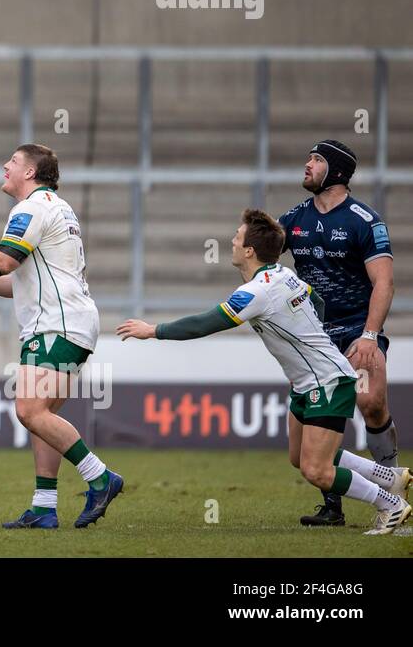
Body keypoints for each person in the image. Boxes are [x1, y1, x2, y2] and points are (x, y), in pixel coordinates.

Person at [118, 209, 410, 535]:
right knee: (299, 457)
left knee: (317, 470)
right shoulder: (284, 274)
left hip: (325, 382)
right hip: (306, 382)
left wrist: (152, 330)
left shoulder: (257, 292)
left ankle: (390, 504)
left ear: (249, 251)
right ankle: (390, 477)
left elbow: (206, 323)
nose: (231, 241)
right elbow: (317, 302)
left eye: (237, 237)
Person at [0, 144, 124, 530]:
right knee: (41, 416)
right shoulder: (58, 208)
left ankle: (100, 477)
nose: (5, 166)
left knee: (28, 410)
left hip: (56, 325)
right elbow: (19, 281)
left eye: (12, 162)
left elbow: (1, 261)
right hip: (69, 320)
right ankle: (44, 507)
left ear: (29, 173)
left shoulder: (30, 209)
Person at [278, 140, 397, 528]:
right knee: (322, 417)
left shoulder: (364, 221)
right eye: (309, 157)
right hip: (315, 336)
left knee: (371, 403)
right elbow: (261, 251)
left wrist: (369, 335)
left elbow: (384, 284)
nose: (307, 164)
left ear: (338, 172)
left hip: (358, 329)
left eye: (316, 160)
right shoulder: (293, 218)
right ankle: (333, 507)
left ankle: (393, 489)